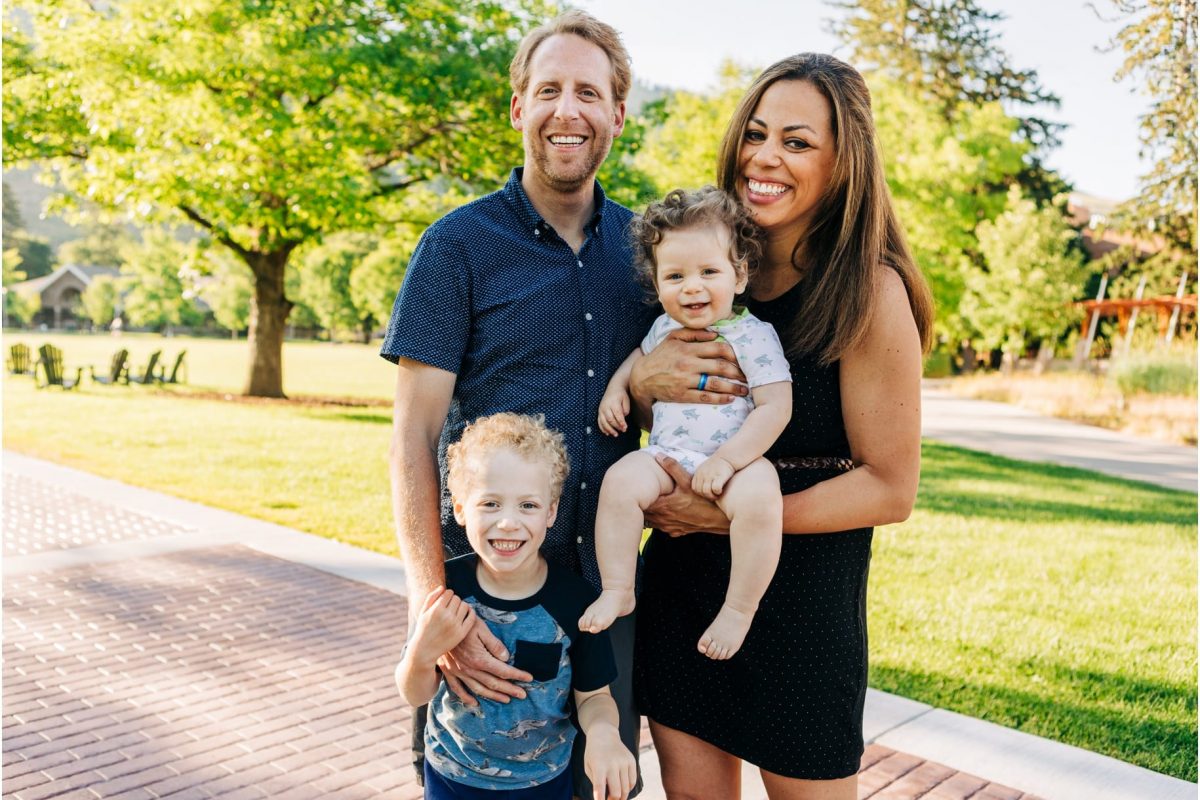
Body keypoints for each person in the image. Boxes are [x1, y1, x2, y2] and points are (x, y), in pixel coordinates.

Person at [381, 10, 674, 797]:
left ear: (618, 112)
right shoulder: (456, 248)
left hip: (603, 608)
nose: (567, 110)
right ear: (518, 107)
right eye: (548, 90)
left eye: (589, 91)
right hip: (484, 609)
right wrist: (429, 607)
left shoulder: (647, 255)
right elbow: (414, 438)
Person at [630, 54, 935, 799]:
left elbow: (891, 489)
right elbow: (660, 414)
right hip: (682, 595)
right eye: (756, 134)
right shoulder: (701, 270)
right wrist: (640, 384)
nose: (764, 158)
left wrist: (727, 521)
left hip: (803, 617)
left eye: (797, 143)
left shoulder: (869, 290)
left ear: (844, 164)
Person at [578, 186, 791, 662]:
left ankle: (739, 608)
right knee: (619, 481)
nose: (691, 287)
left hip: (736, 460)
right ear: (656, 283)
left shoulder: (753, 336)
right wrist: (617, 389)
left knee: (761, 499)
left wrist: (730, 460)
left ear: (739, 276)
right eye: (675, 276)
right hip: (668, 453)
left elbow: (776, 406)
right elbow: (638, 360)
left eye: (708, 272)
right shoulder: (662, 329)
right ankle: (618, 587)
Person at [396, 413, 637, 800]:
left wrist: (606, 735)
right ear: (459, 508)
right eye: (490, 503)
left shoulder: (574, 601)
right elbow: (415, 692)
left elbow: (593, 697)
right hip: (451, 779)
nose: (508, 523)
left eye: (528, 505)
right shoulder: (445, 589)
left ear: (551, 512)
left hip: (543, 783)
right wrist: (423, 654)